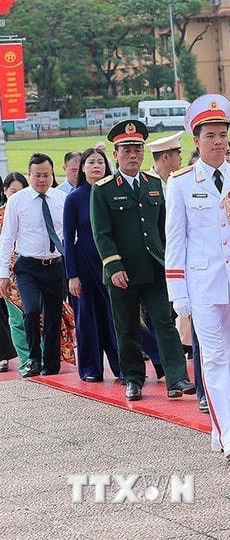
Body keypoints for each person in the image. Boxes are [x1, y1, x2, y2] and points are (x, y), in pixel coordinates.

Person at [165, 94, 230, 460]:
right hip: (202, 285)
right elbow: (176, 241)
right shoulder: (180, 183)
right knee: (213, 359)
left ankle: (221, 427)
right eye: (210, 135)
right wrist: (177, 291)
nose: (218, 141)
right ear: (196, 139)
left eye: (223, 134)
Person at [90, 120, 195, 401]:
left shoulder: (153, 185)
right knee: (127, 327)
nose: (132, 154)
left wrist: (170, 263)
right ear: (115, 154)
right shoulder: (103, 189)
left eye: (137, 149)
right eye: (126, 150)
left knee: (165, 321)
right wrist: (113, 266)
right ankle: (133, 378)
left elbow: (163, 228)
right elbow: (101, 233)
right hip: (122, 272)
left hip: (154, 268)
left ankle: (177, 379)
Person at [0, 154, 69, 377]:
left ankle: (50, 363)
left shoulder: (61, 199)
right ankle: (33, 359)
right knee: (30, 311)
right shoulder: (17, 201)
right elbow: (7, 238)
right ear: (29, 175)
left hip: (55, 265)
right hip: (27, 267)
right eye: (37, 175)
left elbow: (69, 235)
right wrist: (2, 273)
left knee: (53, 316)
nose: (42, 180)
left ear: (52, 175)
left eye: (46, 175)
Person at [63, 147, 122, 382]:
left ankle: (123, 368)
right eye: (91, 162)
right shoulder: (74, 198)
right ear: (83, 168)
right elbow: (68, 238)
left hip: (112, 264)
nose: (96, 166)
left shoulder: (114, 193)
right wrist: (72, 275)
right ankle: (91, 369)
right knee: (88, 318)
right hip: (85, 266)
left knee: (116, 317)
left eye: (100, 162)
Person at [0, 173, 28, 374]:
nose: (16, 196)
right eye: (12, 192)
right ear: (5, 192)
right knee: (16, 320)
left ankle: (42, 356)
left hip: (32, 270)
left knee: (36, 315)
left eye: (20, 191)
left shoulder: (30, 211)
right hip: (7, 275)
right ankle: (25, 359)